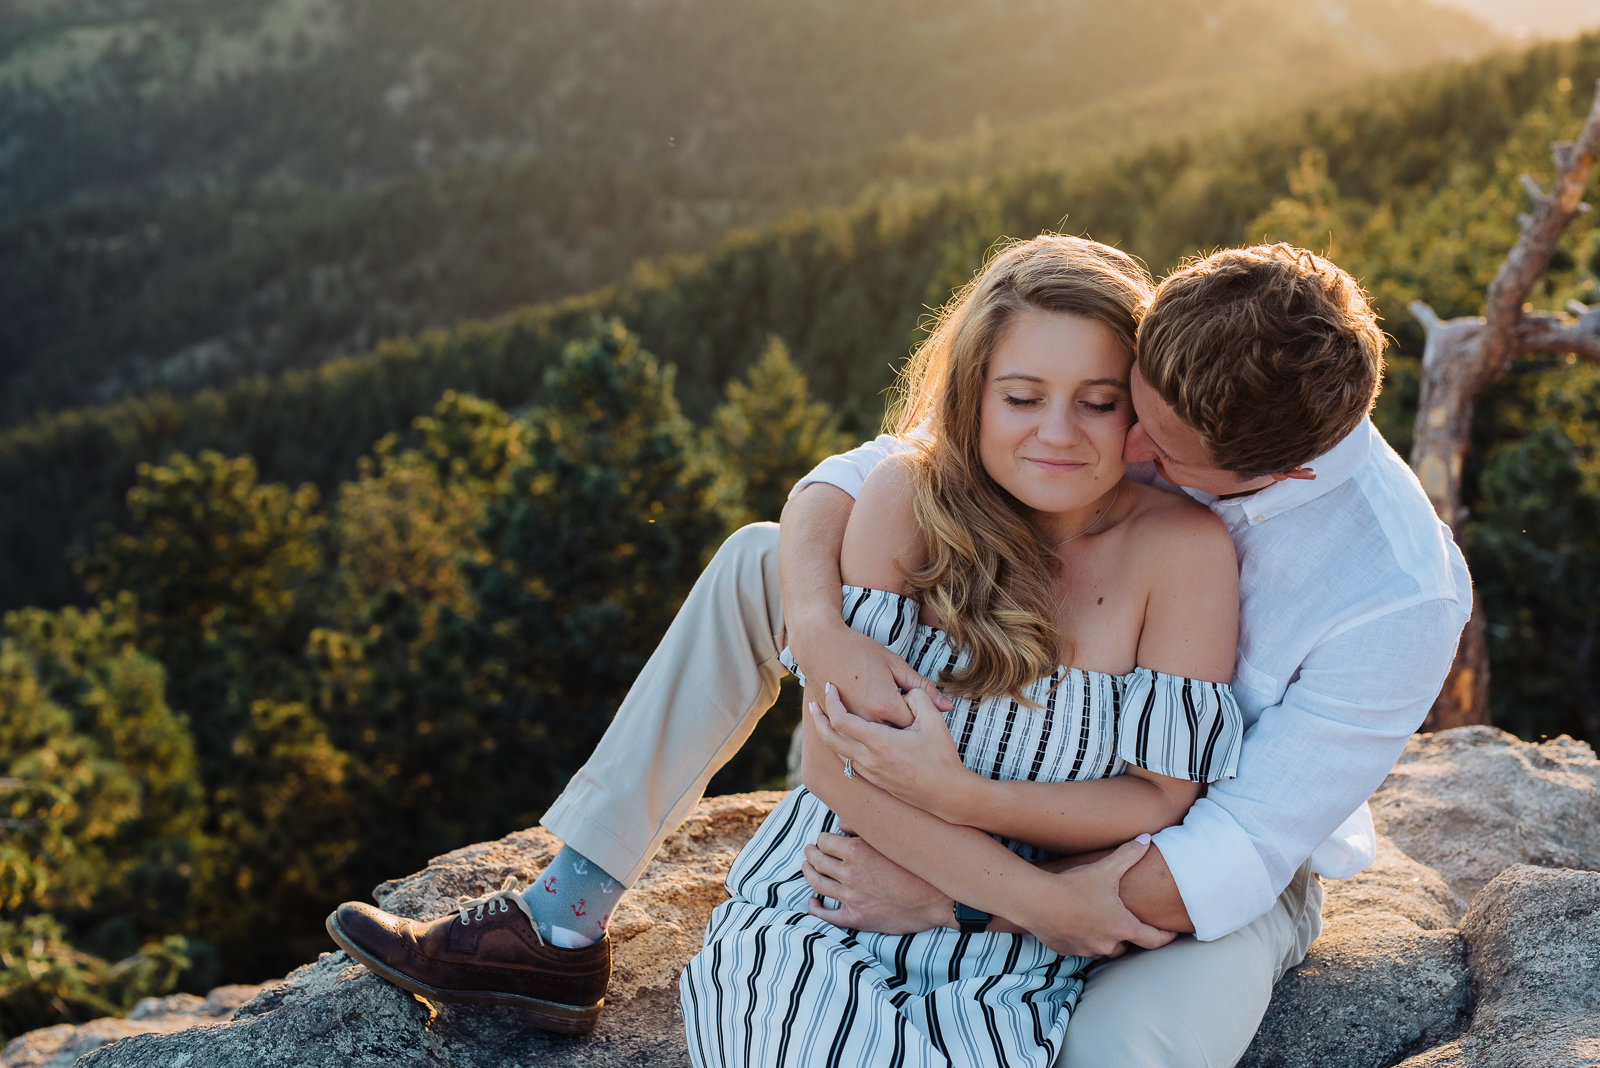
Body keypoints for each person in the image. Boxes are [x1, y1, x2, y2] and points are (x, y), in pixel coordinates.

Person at [325, 240, 1472, 1065]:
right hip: (993, 734)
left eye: (1151, 443)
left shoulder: (1394, 594)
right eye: (1132, 409)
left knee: (1126, 1054)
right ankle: (562, 918)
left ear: (1277, 470)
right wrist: (821, 630)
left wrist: (971, 897)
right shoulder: (1199, 357)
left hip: (1182, 860)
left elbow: (1228, 840)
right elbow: (885, 470)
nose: (1118, 449)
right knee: (759, 560)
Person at [678, 235, 1244, 1066]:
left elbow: (1158, 796)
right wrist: (1047, 906)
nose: (1058, 433)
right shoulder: (909, 501)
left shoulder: (1184, 552)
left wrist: (975, 828)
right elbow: (837, 767)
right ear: (972, 393)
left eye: (1097, 402)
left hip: (1017, 962)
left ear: (1140, 409)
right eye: (1022, 397)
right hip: (834, 899)